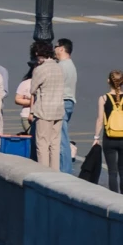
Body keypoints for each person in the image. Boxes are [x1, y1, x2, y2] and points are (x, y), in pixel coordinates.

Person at [26, 39, 66, 171]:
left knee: (42, 144)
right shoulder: (58, 67)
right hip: (58, 110)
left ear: (37, 53)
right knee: (54, 144)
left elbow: (32, 89)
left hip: (44, 110)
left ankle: (45, 173)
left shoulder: (40, 69)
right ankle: (55, 172)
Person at [97, 70, 123, 193]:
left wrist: (96, 137)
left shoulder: (104, 98)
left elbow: (100, 120)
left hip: (109, 138)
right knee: (122, 170)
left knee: (112, 171)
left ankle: (114, 197)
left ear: (108, 81)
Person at [56, 38, 78, 173]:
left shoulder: (62, 66)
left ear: (62, 49)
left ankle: (65, 171)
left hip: (62, 102)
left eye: (56, 46)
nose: (54, 49)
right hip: (69, 102)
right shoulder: (70, 65)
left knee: (62, 139)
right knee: (62, 136)